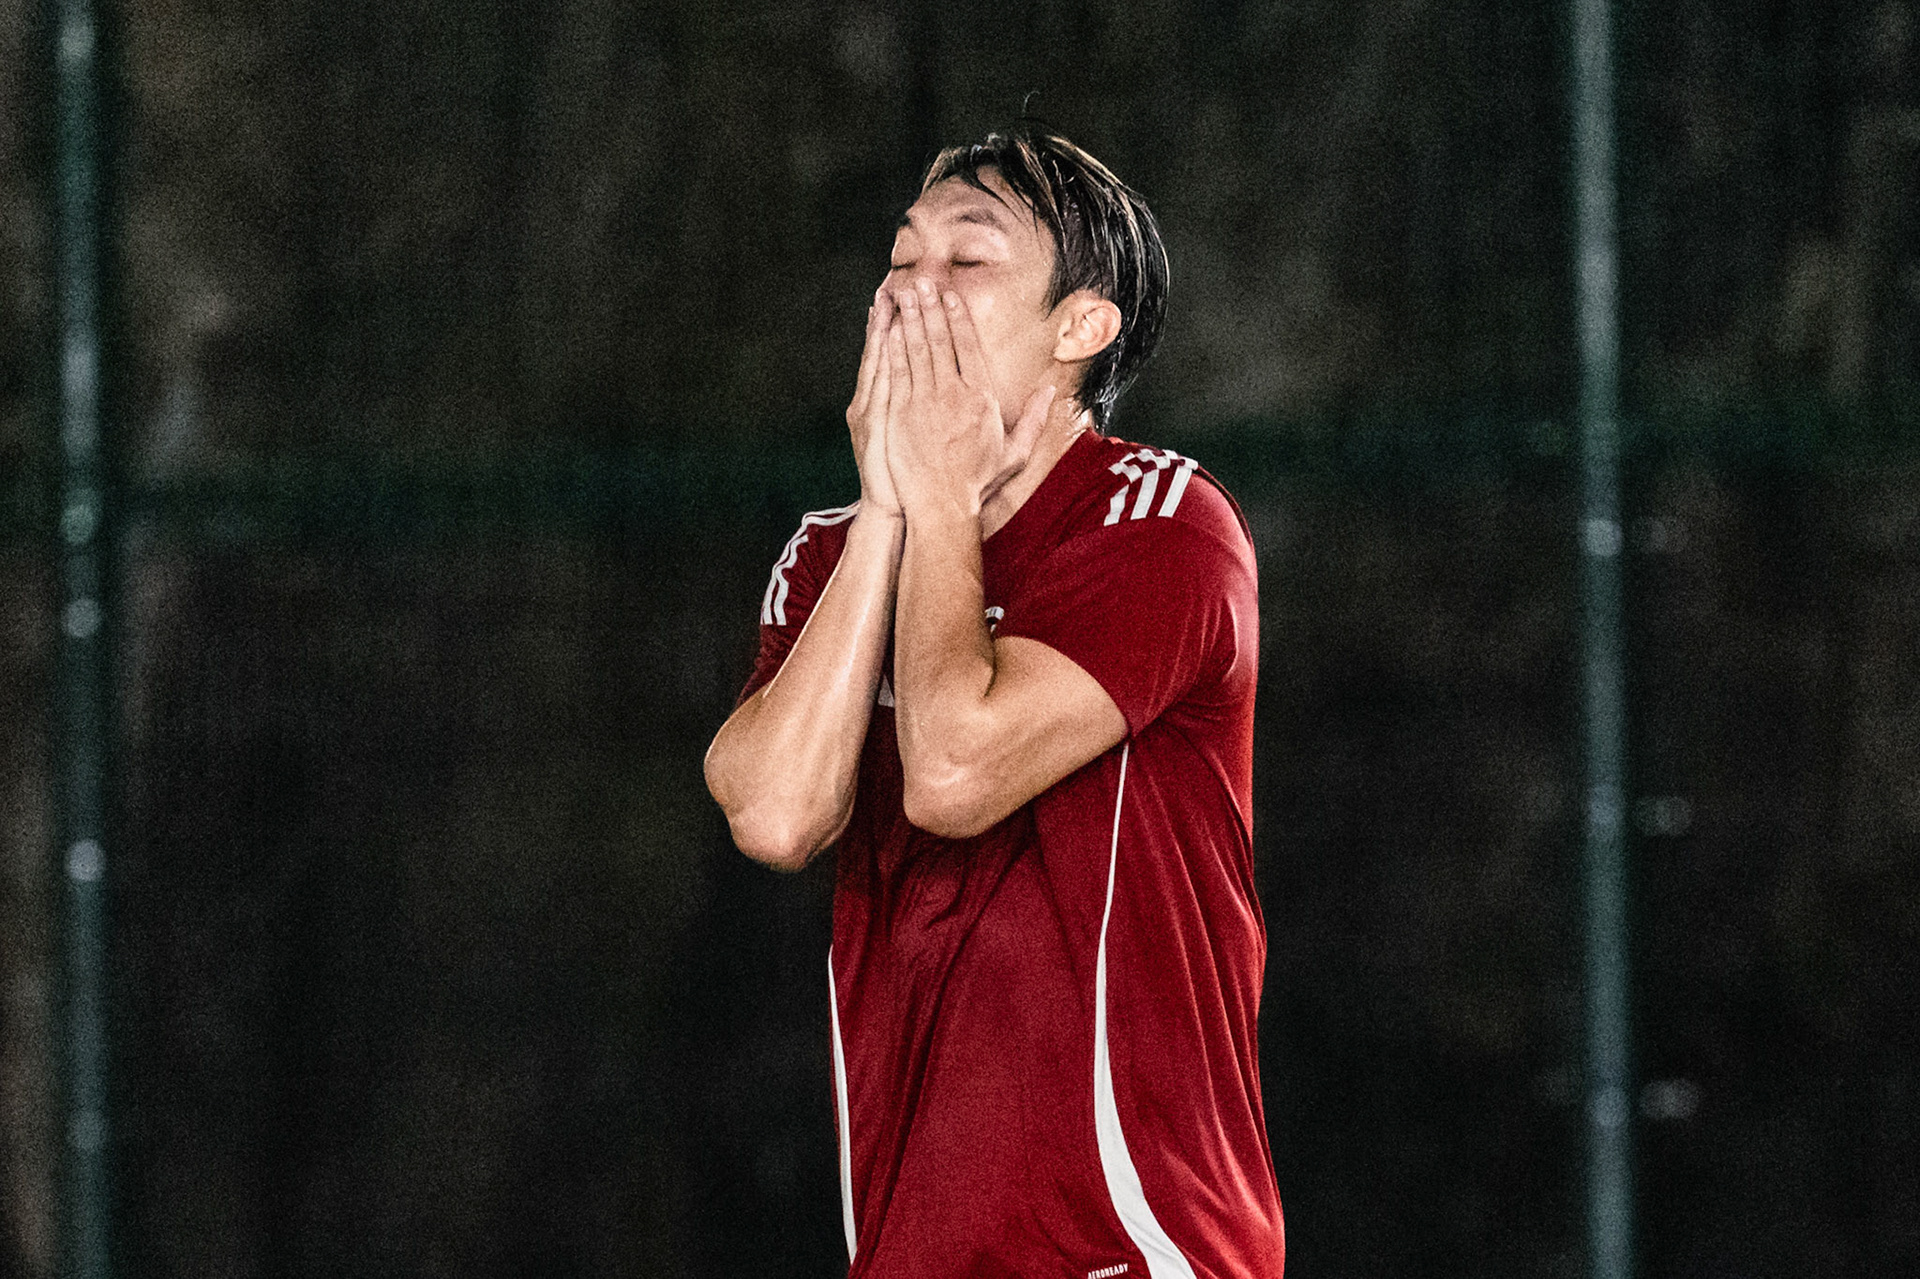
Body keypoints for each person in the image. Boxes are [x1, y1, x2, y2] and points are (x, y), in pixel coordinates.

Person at [704, 126, 1284, 1278]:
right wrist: (890, 512)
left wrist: (936, 499)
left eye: (968, 262)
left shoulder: (1162, 523)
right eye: (900, 258)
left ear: (1080, 328)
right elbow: (773, 813)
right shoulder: (828, 556)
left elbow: (956, 771)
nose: (913, 293)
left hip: (1135, 1248)